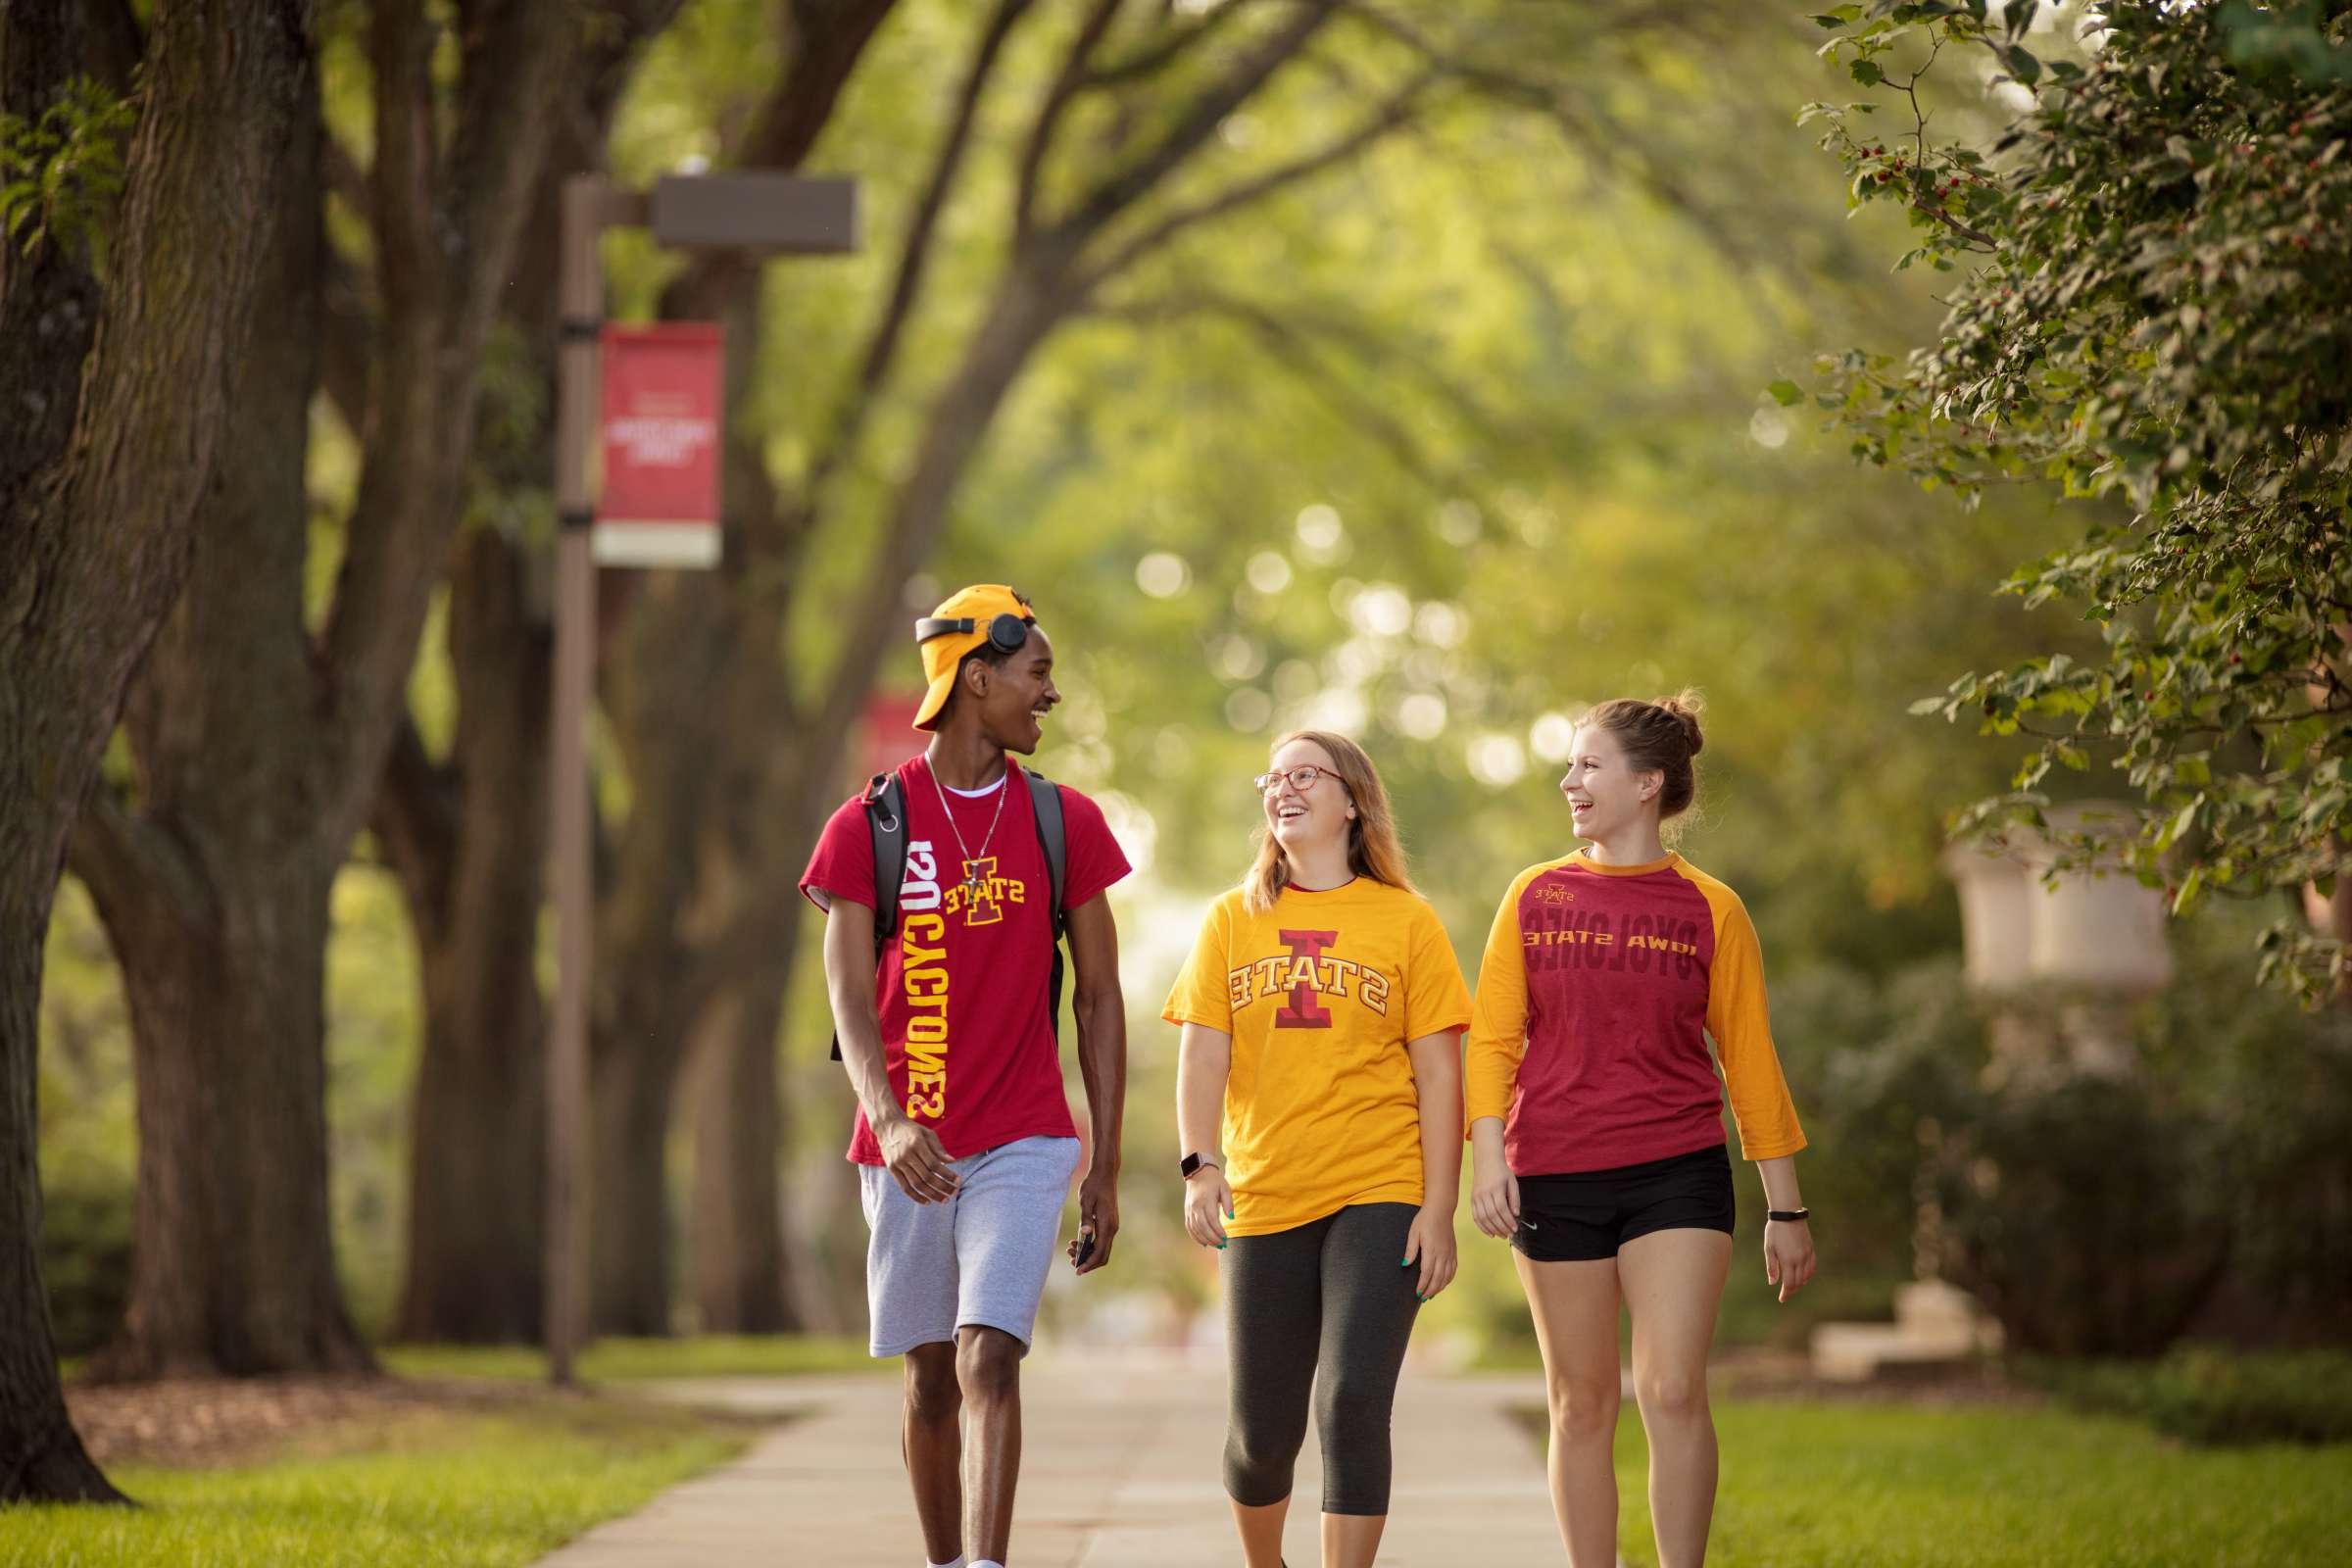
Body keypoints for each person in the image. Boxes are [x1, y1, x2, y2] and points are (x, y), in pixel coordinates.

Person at [802, 584, 1131, 1568]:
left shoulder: (1063, 821)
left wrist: (1104, 1164)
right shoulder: (868, 827)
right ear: (975, 679)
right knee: (933, 1377)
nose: (1052, 696)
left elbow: (1101, 1002)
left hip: (1026, 1136)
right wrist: (892, 1120)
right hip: (910, 1151)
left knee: (992, 1352)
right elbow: (851, 1002)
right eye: (1038, 675)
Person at [1465, 692, 1815, 1568]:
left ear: (1648, 782)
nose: (1568, 780)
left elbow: (1750, 1061)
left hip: (1677, 1172)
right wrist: (1488, 1157)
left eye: (1588, 765)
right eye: (1570, 764)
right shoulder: (1534, 895)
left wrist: (1787, 1208)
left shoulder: (1712, 909)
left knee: (1669, 1386)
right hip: (1555, 1170)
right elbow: (1494, 1040)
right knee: (1581, 1402)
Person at [1164, 729, 1469, 1568]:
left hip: (1381, 1186)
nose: (1283, 787)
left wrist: (1439, 1208)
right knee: (1262, 1435)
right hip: (1264, 1192)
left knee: (1352, 1399)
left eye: (1307, 774)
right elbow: (1201, 1055)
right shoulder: (1232, 920)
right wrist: (1200, 1165)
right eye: (1274, 776)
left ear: (1352, 800)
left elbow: (1443, 1077)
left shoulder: (1407, 922)